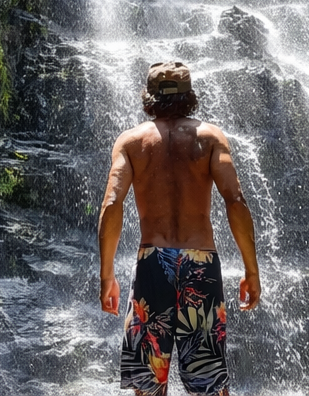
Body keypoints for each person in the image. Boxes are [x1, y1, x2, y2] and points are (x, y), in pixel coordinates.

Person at [98, 60, 261, 396]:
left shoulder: (131, 142)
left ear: (149, 97)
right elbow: (236, 201)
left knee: (146, 384)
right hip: (200, 264)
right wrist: (251, 270)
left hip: (152, 265)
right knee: (209, 386)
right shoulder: (210, 137)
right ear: (190, 96)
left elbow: (112, 204)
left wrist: (107, 276)